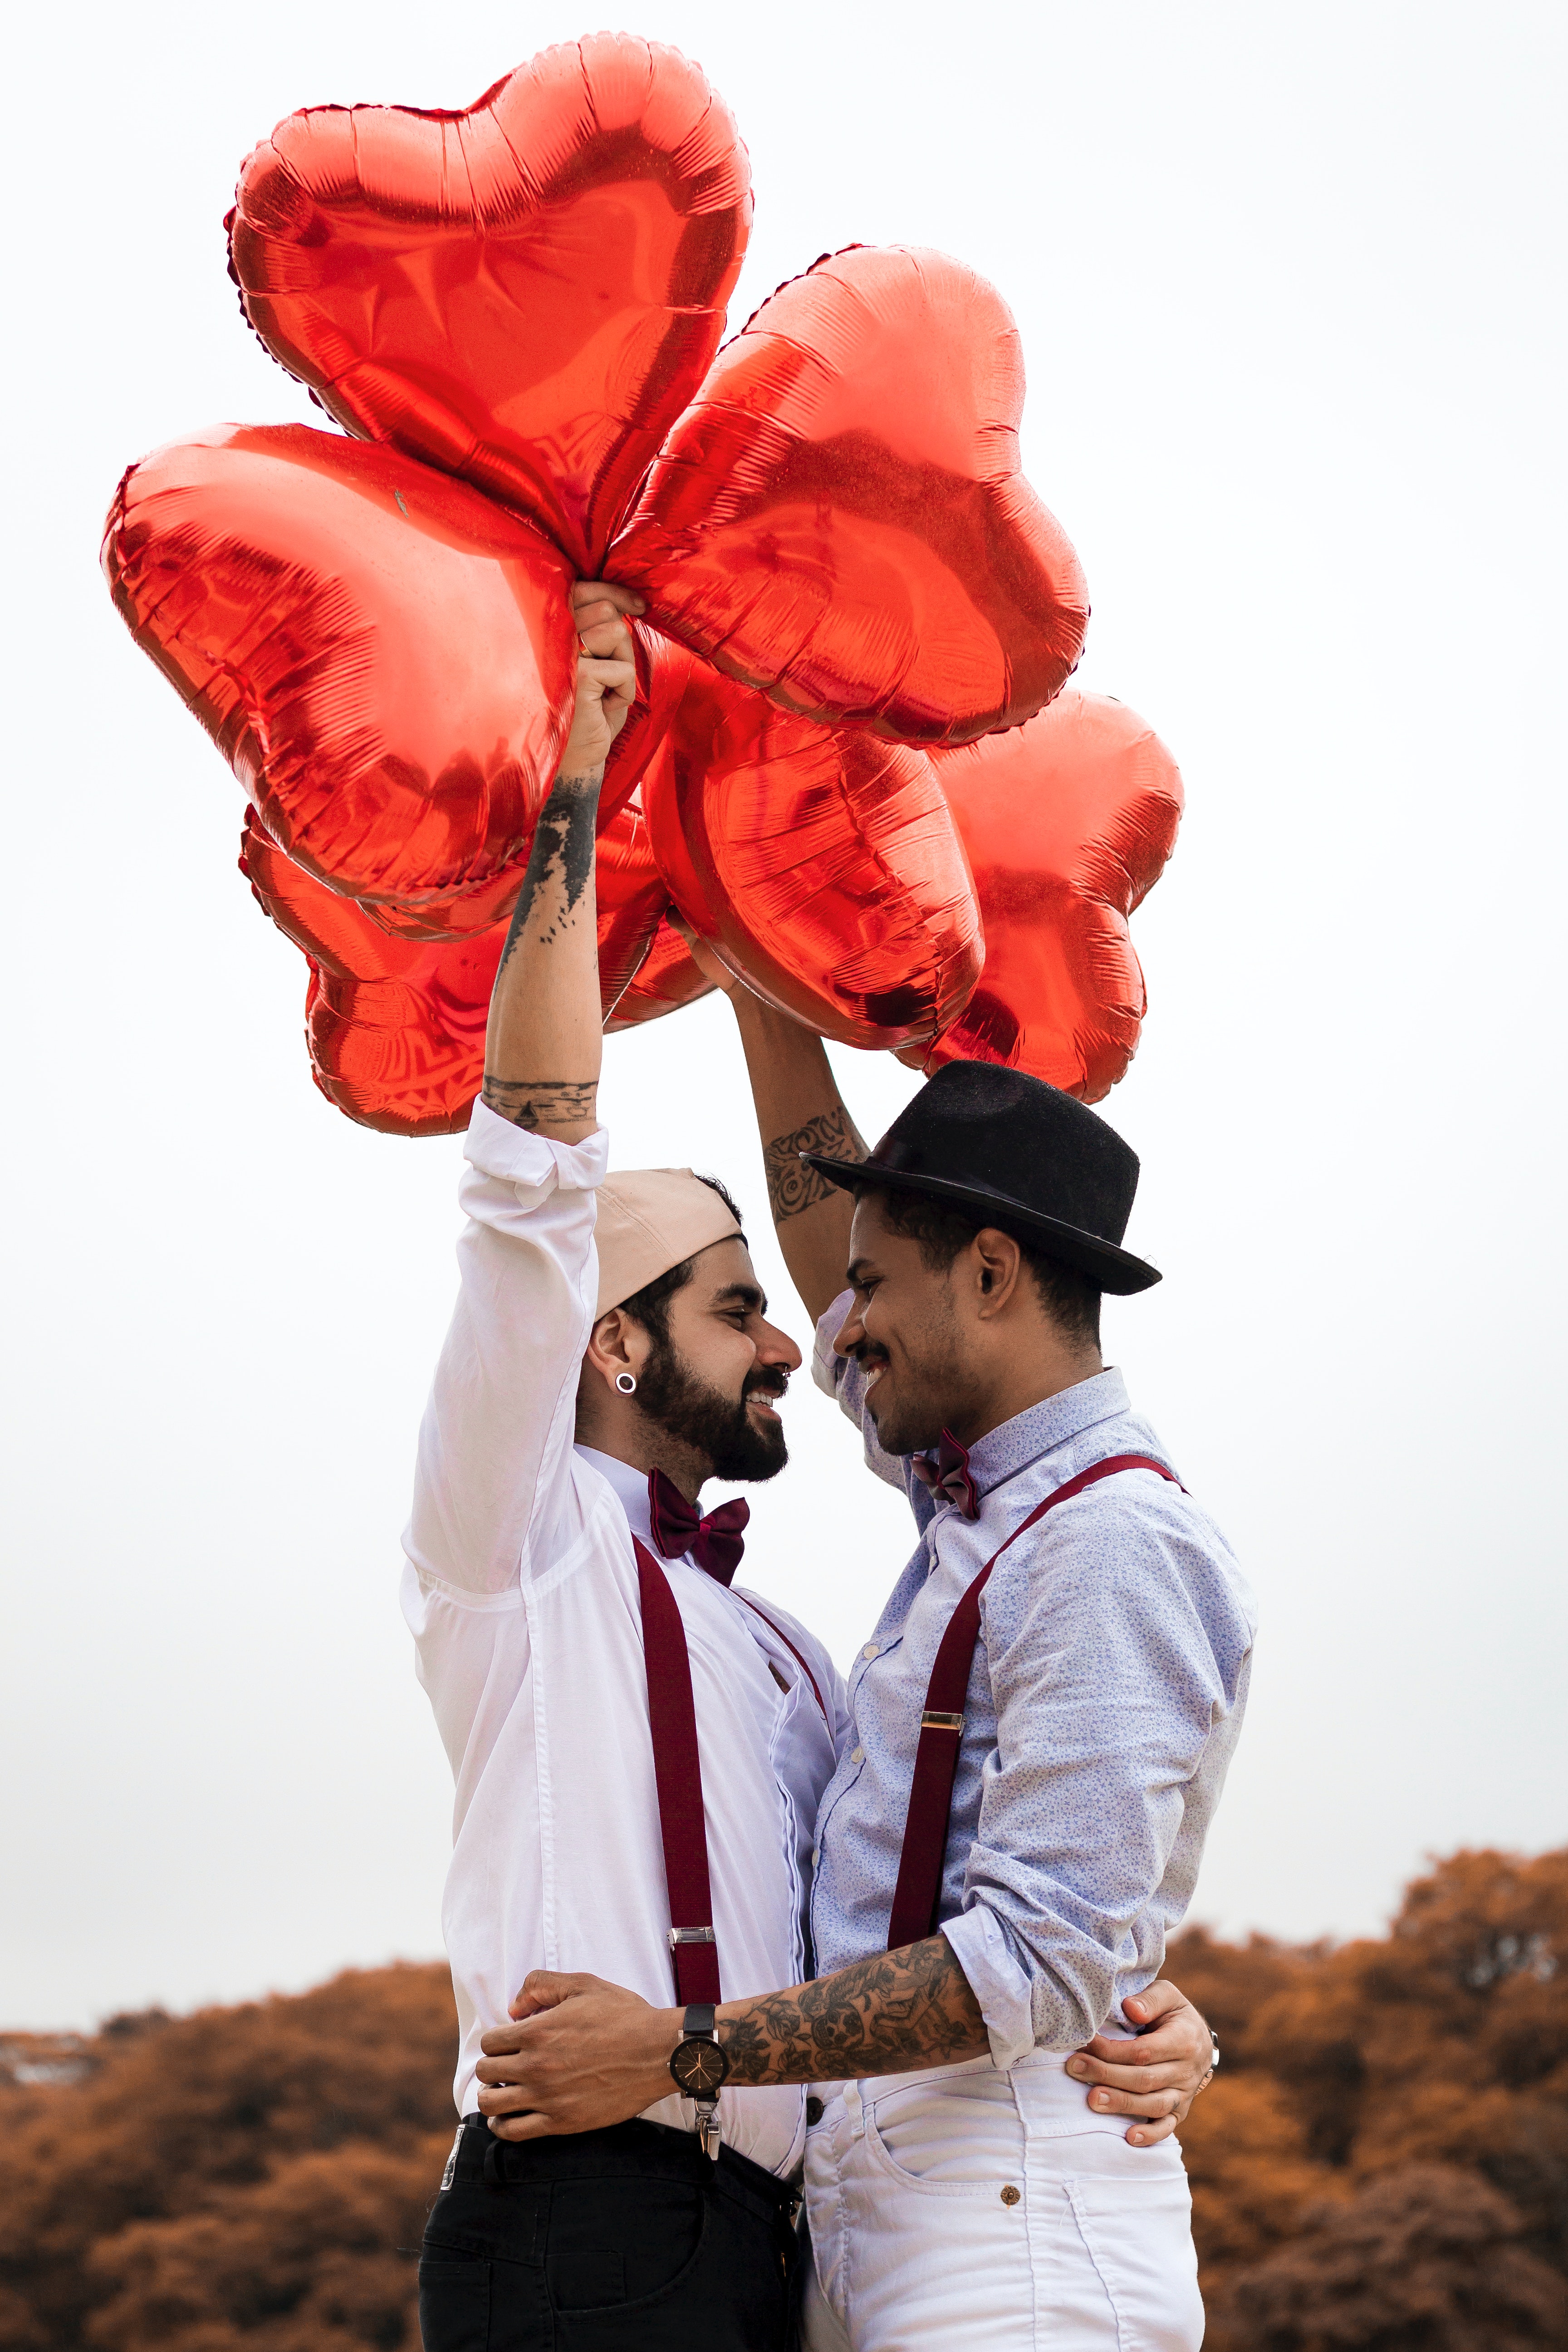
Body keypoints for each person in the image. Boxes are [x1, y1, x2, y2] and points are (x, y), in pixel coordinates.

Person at [411, 578, 1224, 2352]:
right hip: (687, 2216)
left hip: (854, 2231)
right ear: (611, 1343)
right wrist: (652, 852)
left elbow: (1000, 1932)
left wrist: (1120, 1991)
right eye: (748, 1307)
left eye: (861, 1297)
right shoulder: (533, 1538)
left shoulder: (962, 1589)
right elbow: (566, 1182)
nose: (819, 1328)